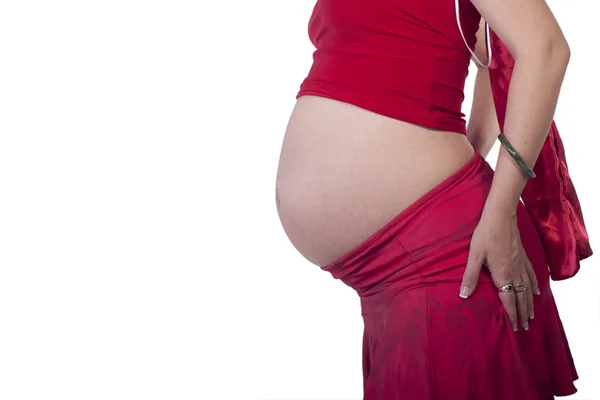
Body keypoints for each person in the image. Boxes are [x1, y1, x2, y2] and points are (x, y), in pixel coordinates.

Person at [274, 0, 593, 398]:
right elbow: (493, 57)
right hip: (383, 279)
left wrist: (499, 211)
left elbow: (544, 49)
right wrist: (463, 148)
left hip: (447, 260)